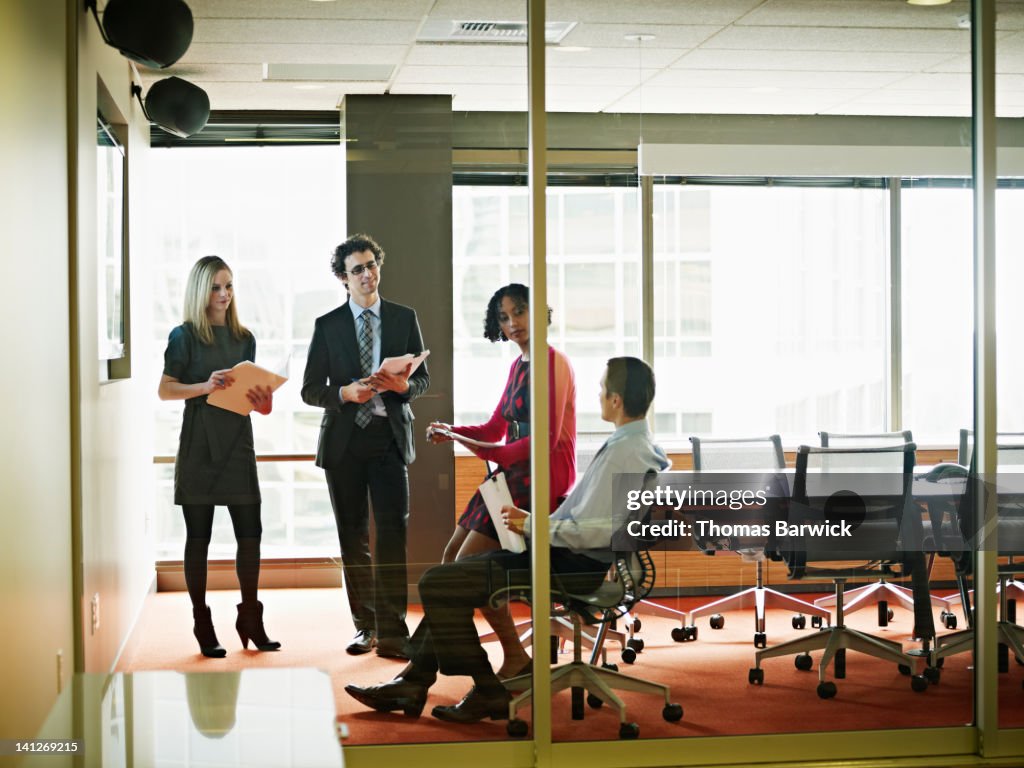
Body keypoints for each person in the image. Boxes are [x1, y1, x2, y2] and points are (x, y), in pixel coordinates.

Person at [345, 357, 668, 723]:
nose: (596, 394)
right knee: (447, 579)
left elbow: (602, 529)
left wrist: (533, 526)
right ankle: (419, 681)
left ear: (615, 400)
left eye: (601, 388)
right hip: (567, 554)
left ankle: (480, 688)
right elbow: (594, 521)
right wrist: (534, 527)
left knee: (439, 583)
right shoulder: (638, 445)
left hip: (569, 565)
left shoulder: (625, 452)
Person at [426, 283, 576, 679]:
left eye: (520, 313)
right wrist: (453, 430)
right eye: (505, 317)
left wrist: (483, 450)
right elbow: (495, 427)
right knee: (448, 561)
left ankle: (511, 657)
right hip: (509, 477)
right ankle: (438, 658)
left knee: (467, 568)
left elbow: (544, 439)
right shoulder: (518, 366)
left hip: (538, 483)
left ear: (538, 312)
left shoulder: (553, 362)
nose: (513, 323)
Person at [301, 233, 430, 660]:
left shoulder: (403, 317)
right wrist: (342, 393)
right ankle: (365, 626)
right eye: (357, 268)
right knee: (352, 537)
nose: (367, 274)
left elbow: (423, 379)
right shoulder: (327, 326)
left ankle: (393, 628)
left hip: (388, 438)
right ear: (343, 278)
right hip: (344, 442)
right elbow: (308, 390)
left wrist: (404, 385)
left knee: (393, 534)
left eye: (371, 264)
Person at [158, 255, 280, 658]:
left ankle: (250, 616)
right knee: (199, 539)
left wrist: (263, 402)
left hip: (237, 445)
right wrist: (204, 386)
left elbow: (253, 405)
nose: (224, 294)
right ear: (200, 290)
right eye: (215, 287)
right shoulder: (184, 336)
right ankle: (201, 620)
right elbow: (165, 390)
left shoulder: (245, 337)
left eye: (229, 286)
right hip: (198, 448)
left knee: (251, 535)